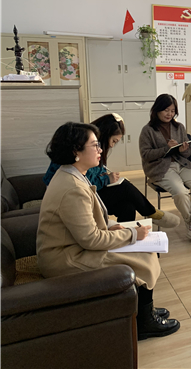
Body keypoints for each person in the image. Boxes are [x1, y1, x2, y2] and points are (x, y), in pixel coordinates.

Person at [37, 122, 180, 340]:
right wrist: (132, 234)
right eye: (95, 145)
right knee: (143, 254)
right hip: (65, 258)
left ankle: (143, 310)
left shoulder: (73, 174)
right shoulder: (72, 187)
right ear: (76, 151)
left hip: (72, 247)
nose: (101, 149)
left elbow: (87, 221)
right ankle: (145, 322)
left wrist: (113, 226)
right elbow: (91, 239)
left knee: (144, 248)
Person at [43, 113, 179, 228]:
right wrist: (106, 179)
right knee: (124, 187)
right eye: (113, 141)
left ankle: (126, 238)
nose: (102, 149)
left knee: (128, 206)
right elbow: (86, 183)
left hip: (87, 193)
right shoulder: (71, 169)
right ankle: (150, 212)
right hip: (82, 197)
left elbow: (90, 176)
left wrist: (105, 176)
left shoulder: (85, 156)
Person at [140, 94, 191, 246]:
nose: (169, 114)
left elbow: (187, 154)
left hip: (182, 164)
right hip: (160, 168)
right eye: (166, 110)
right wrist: (166, 148)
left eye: (172, 111)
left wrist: (183, 149)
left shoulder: (179, 127)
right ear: (157, 110)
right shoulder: (148, 130)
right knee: (181, 192)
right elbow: (146, 155)